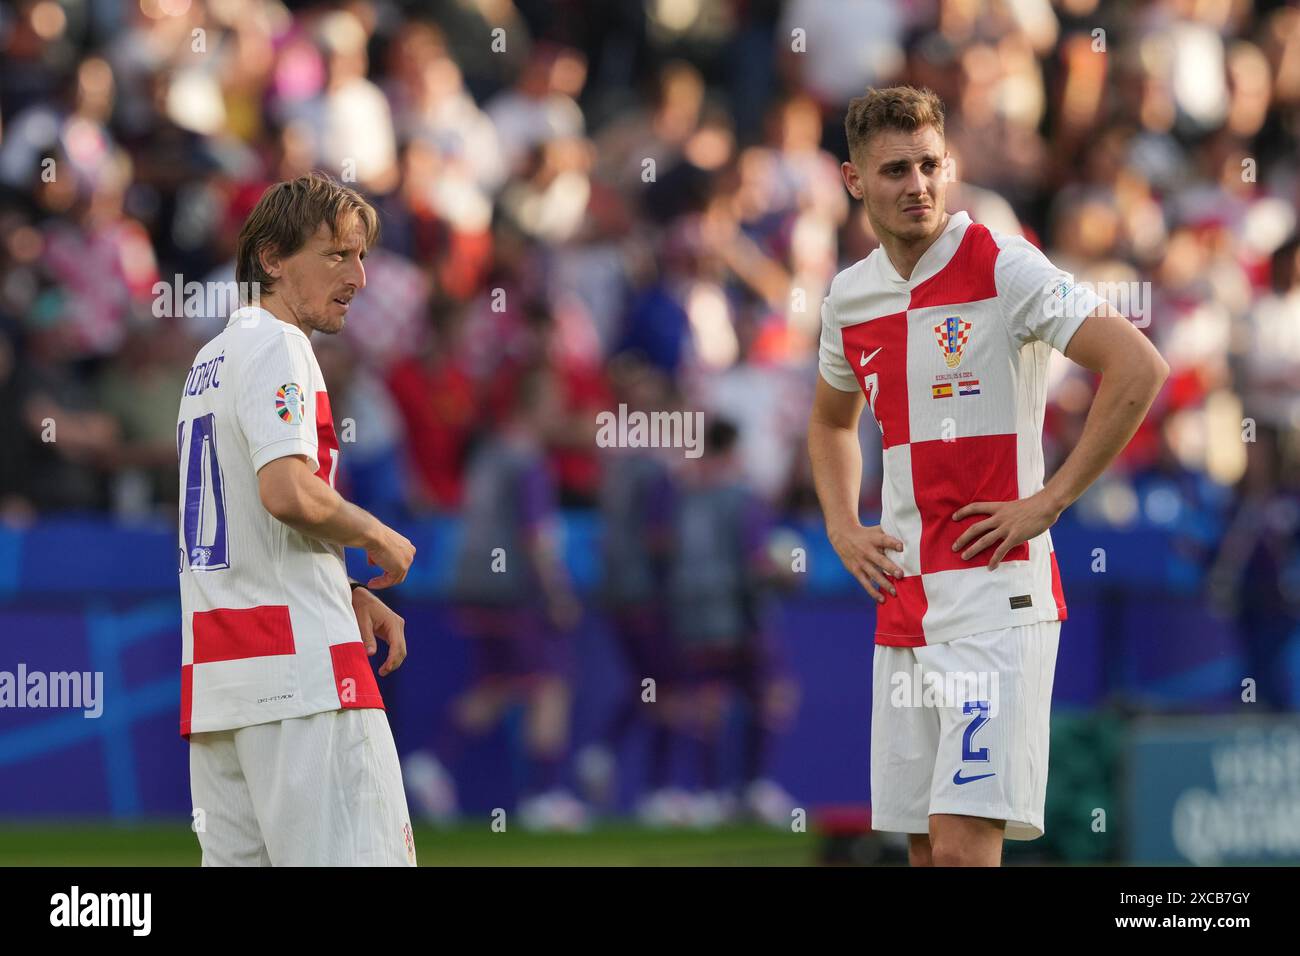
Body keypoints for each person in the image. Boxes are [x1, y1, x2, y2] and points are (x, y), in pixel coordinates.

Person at [807, 87, 1168, 866]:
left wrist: (1051, 499)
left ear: (952, 165)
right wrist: (841, 523)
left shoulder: (1004, 264)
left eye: (930, 165)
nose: (918, 184)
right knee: (929, 852)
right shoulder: (849, 297)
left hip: (998, 600)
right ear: (854, 180)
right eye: (895, 169)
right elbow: (831, 420)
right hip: (904, 601)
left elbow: (1137, 365)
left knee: (966, 850)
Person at [179, 172, 418, 866]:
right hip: (303, 681)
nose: (360, 277)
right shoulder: (279, 346)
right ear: (272, 259)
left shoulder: (209, 361)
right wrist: (376, 534)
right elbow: (286, 490)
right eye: (336, 255)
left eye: (362, 256)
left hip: (223, 686)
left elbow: (248, 520)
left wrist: (343, 590)